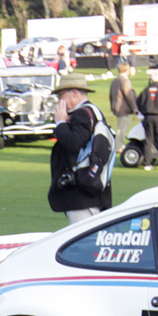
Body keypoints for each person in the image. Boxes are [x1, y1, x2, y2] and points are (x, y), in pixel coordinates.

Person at [47, 74, 111, 224]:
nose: (59, 101)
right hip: (90, 189)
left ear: (73, 93)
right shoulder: (92, 112)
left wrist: (61, 123)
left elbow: (74, 143)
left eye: (61, 95)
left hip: (82, 193)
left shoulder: (82, 113)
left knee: (83, 241)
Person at [108, 63, 137, 154]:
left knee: (123, 125)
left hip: (116, 107)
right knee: (122, 127)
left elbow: (110, 95)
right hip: (123, 108)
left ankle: (119, 145)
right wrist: (134, 107)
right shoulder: (125, 81)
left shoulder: (115, 81)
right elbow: (128, 95)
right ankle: (118, 146)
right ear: (127, 70)